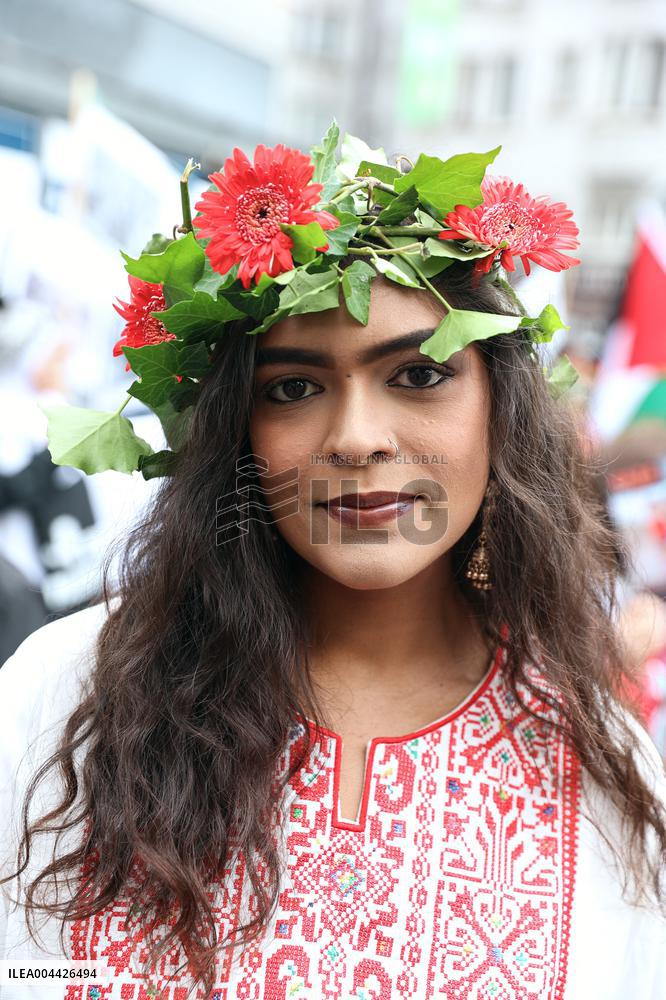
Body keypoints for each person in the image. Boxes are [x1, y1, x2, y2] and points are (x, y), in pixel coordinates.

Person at [1, 130, 665, 1000]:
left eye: (420, 376)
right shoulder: (66, 697)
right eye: (293, 388)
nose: (355, 439)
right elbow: (29, 969)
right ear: (238, 433)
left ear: (501, 410)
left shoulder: (604, 773)